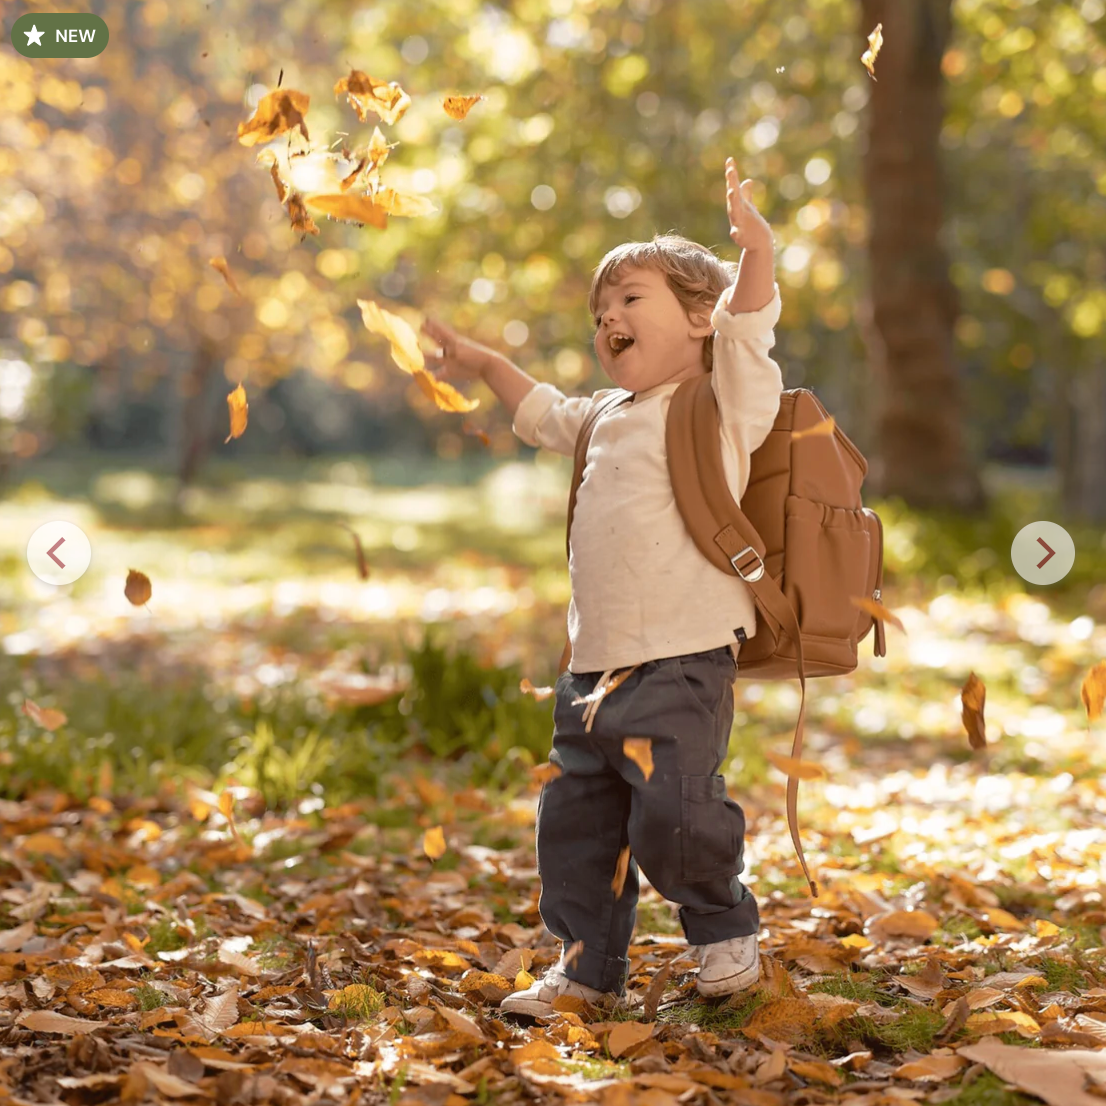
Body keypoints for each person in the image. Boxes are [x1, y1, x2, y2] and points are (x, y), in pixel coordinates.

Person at [421, 157, 782, 1014]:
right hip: (591, 670)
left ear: (699, 320)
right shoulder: (602, 417)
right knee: (576, 832)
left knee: (676, 818)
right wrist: (481, 361)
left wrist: (755, 250)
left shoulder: (721, 398)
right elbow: (539, 406)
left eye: (631, 300)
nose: (610, 318)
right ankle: (588, 972)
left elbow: (750, 324)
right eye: (601, 311)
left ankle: (726, 932)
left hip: (682, 661)